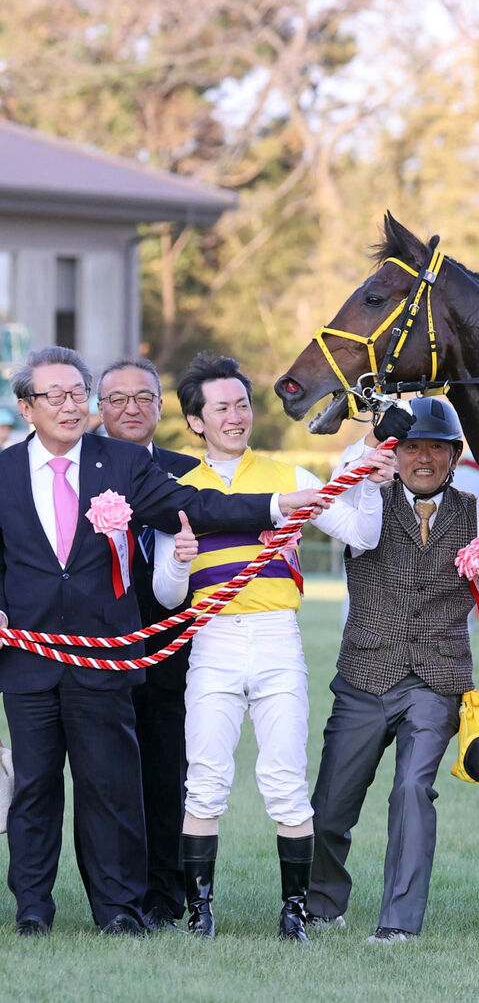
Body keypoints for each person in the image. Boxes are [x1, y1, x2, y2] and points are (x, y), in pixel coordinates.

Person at [0, 345, 325, 938]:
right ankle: (32, 910)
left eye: (78, 393)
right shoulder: (0, 474)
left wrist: (276, 505)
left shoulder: (119, 464)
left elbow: (193, 504)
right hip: (28, 660)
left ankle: (120, 911)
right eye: (56, 397)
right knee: (35, 789)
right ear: (27, 408)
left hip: (104, 653)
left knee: (110, 788)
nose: (71, 406)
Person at [153, 352, 394, 942]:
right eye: (221, 408)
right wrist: (180, 564)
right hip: (212, 643)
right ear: (195, 422)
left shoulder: (291, 478)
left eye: (241, 405)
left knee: (284, 780)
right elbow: (164, 595)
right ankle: (200, 911)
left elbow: (361, 533)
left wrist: (360, 476)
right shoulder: (180, 489)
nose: (235, 416)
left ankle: (294, 913)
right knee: (205, 780)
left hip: (278, 641)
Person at [307, 396, 479, 945]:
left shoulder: (478, 511)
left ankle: (398, 924)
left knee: (411, 791)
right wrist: (373, 435)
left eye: (436, 448)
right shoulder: (361, 499)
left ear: (455, 455)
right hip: (364, 676)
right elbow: (345, 470)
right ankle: (323, 904)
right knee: (331, 806)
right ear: (394, 451)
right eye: (411, 446)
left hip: (437, 681)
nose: (422, 458)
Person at [96, 358, 199, 931]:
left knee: (168, 777)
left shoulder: (191, 473)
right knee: (109, 782)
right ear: (99, 408)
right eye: (116, 399)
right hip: (96, 654)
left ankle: (166, 898)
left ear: (161, 408)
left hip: (172, 654)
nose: (131, 409)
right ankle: (117, 898)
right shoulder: (79, 470)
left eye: (144, 398)